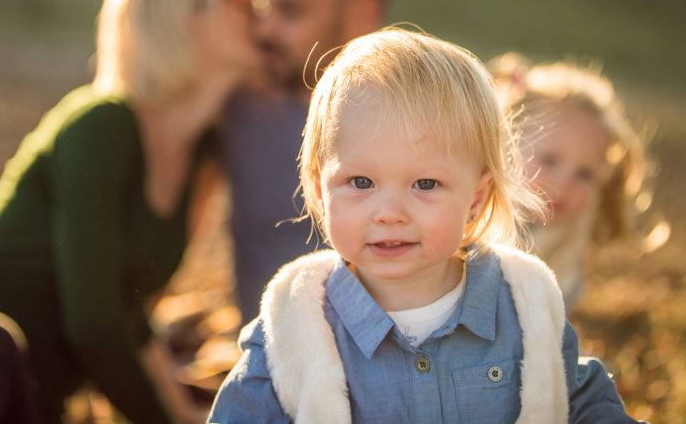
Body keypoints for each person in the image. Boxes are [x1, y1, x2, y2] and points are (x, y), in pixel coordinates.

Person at [0, 0, 260, 423]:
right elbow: (94, 322)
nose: (256, 8)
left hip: (17, 396)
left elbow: (128, 317)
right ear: (180, 21)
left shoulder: (200, 158)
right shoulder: (102, 123)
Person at [208, 28, 641, 423]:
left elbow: (580, 401)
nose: (390, 212)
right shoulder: (293, 328)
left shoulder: (523, 306)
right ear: (322, 193)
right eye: (361, 182)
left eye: (425, 184)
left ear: (475, 200)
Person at [221, 0, 392, 323]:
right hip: (265, 370)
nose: (265, 30)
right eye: (262, 7)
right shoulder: (237, 108)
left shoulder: (412, 126)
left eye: (290, 10)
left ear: (361, 16)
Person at [489, 53, 657, 310]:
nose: (564, 186)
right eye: (550, 160)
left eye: (585, 174)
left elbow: (549, 318)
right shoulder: (468, 210)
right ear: (506, 142)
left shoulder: (567, 239)